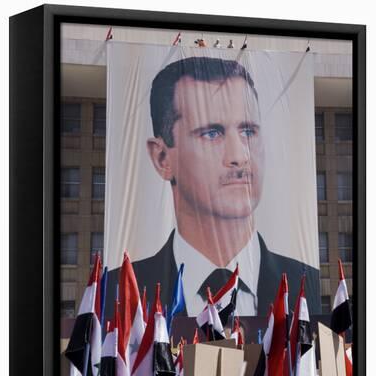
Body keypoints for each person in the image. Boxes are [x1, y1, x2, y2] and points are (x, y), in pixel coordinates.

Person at [106, 56, 320, 320]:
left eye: (248, 131)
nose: (239, 156)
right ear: (162, 158)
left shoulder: (306, 283)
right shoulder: (118, 293)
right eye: (211, 133)